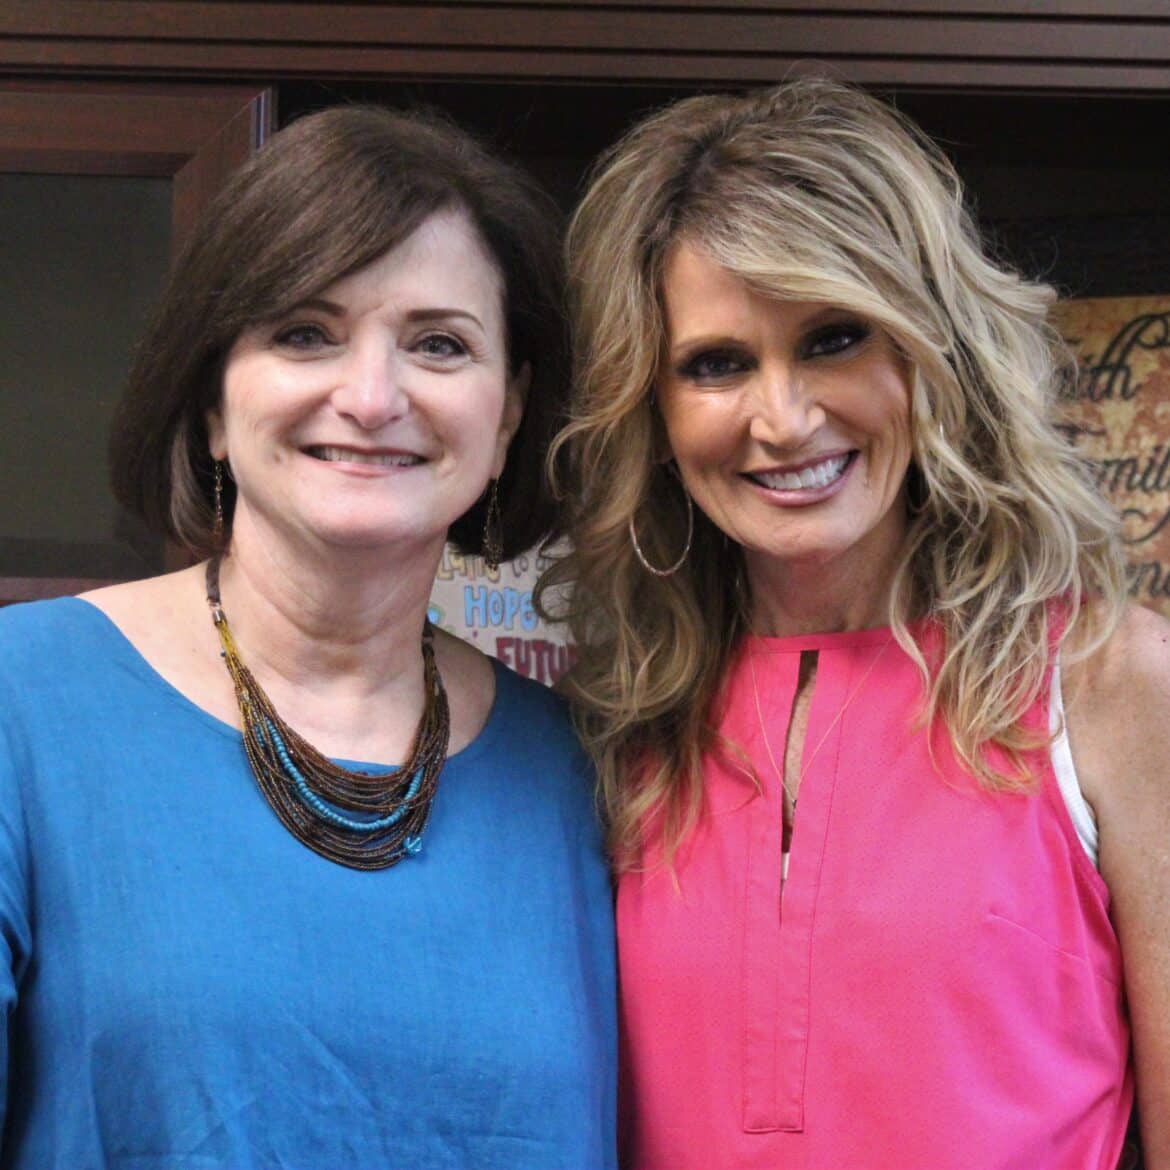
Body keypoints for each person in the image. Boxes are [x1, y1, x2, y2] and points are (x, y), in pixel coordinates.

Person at [541, 78, 1168, 1168]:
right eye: (717, 364)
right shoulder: (619, 722)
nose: (783, 419)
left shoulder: (1111, 685)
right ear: (650, 404)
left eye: (834, 338)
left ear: (936, 354)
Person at [0, 105, 616, 1168]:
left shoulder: (584, 771)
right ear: (211, 400)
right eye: (304, 334)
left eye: (438, 343)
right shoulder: (22, 707)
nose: (371, 397)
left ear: (509, 413)